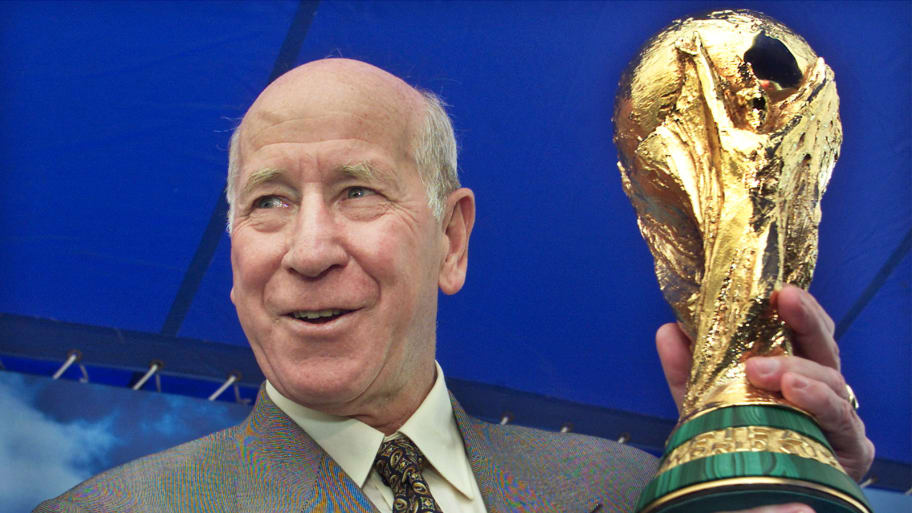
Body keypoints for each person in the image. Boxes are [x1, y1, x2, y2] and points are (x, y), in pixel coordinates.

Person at [34, 58, 873, 513]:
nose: (310, 247)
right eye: (269, 202)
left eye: (358, 190)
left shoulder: (625, 496)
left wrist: (799, 482)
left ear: (452, 238)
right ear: (234, 256)